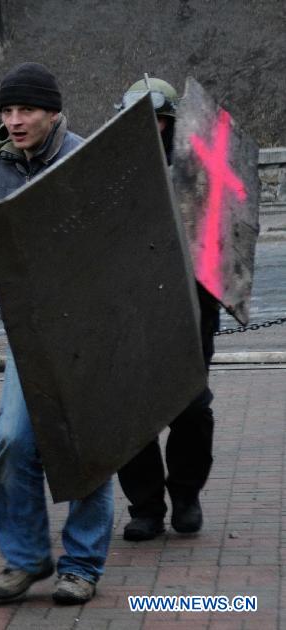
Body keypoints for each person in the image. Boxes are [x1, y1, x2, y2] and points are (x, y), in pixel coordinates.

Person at [0, 62, 113, 605]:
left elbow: (119, 240)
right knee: (13, 441)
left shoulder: (87, 160)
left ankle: (81, 565)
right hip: (30, 331)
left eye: (26, 110)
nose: (14, 120)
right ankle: (27, 558)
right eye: (7, 111)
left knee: (87, 450)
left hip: (89, 329)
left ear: (53, 113)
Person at [115, 77, 219, 541]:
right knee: (133, 413)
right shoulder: (109, 175)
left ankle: (186, 495)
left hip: (190, 305)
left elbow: (220, 236)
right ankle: (146, 506)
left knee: (192, 410)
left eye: (153, 118)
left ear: (169, 121)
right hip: (131, 309)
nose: (144, 127)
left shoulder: (197, 170)